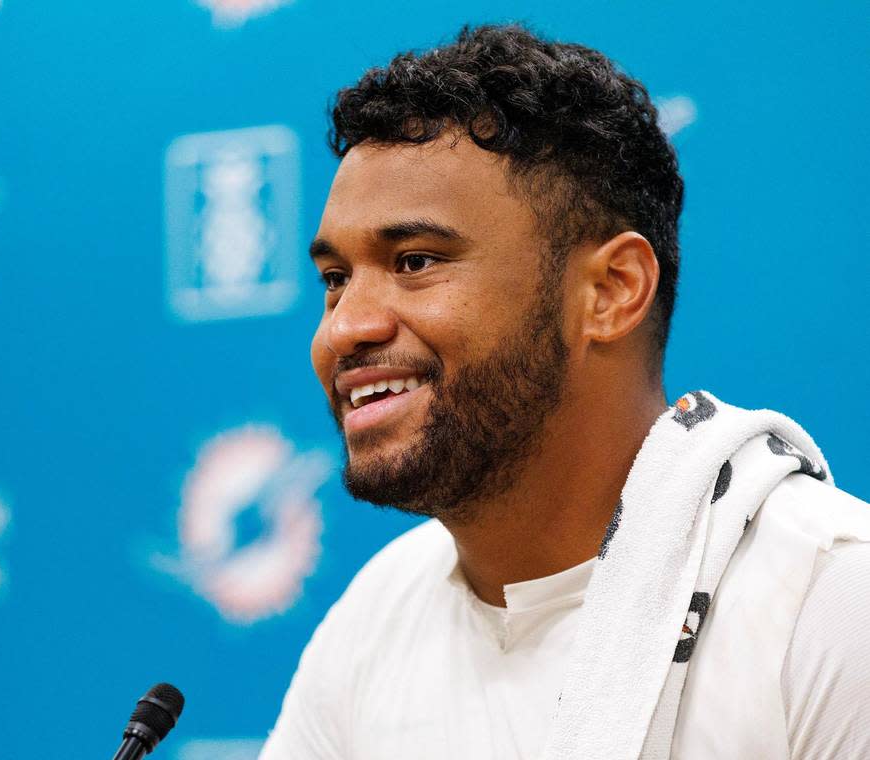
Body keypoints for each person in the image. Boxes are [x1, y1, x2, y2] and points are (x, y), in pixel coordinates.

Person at [259, 24, 870, 760]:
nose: (346, 328)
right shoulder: (376, 616)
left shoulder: (832, 599)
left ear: (611, 291)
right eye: (335, 280)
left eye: (415, 261)